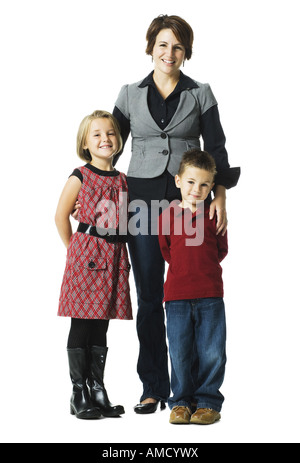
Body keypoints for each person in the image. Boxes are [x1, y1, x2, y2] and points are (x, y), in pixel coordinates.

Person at [111, 14, 240, 414]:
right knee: (150, 295)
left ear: (187, 52)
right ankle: (155, 386)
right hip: (142, 203)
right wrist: (87, 189)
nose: (170, 53)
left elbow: (216, 148)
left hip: (191, 202)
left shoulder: (201, 93)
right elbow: (109, 149)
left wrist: (219, 195)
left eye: (178, 46)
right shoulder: (129, 93)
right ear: (151, 47)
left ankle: (199, 396)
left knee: (196, 290)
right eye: (163, 45)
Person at [55, 110, 132, 420]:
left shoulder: (124, 180)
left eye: (110, 133)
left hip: (113, 256)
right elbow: (61, 215)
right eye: (97, 134)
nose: (105, 139)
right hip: (86, 256)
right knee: (82, 322)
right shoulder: (80, 176)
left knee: (102, 323)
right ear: (85, 143)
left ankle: (97, 388)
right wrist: (73, 250)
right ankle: (78, 393)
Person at [158, 149, 228, 425]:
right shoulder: (167, 216)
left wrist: (202, 270)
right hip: (176, 296)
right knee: (179, 349)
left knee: (211, 350)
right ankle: (181, 402)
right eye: (190, 182)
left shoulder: (214, 214)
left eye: (203, 184)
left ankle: (208, 401)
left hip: (210, 294)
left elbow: (221, 249)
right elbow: (166, 250)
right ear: (178, 181)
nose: (196, 189)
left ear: (211, 187)